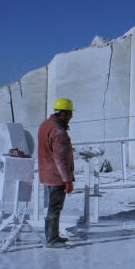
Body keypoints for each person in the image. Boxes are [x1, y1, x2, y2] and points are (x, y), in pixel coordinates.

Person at [38, 97, 76, 248]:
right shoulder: (58, 131)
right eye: (70, 114)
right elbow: (60, 159)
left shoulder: (45, 125)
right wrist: (67, 180)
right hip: (56, 176)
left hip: (46, 173)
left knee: (52, 207)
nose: (71, 117)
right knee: (55, 207)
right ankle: (51, 239)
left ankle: (53, 236)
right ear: (64, 114)